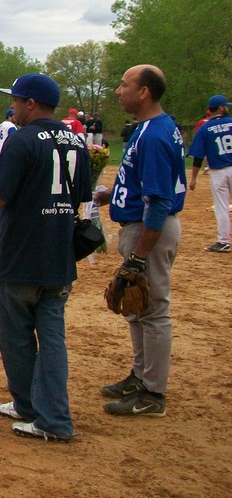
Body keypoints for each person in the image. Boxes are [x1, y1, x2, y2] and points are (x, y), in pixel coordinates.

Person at [0, 73, 90, 442]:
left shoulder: (22, 139)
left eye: (15, 100)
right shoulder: (77, 142)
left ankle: (33, 409)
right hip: (59, 257)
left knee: (16, 336)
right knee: (52, 338)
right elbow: (81, 198)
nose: (12, 106)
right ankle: (52, 416)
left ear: (31, 104)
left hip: (20, 256)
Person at [94, 64, 186, 418]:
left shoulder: (155, 135)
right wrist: (109, 195)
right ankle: (140, 376)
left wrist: (139, 255)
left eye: (124, 84)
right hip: (139, 225)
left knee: (153, 308)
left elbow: (159, 200)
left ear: (144, 91)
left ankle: (152, 393)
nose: (119, 91)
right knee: (136, 307)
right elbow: (140, 182)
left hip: (150, 230)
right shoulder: (150, 129)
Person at [188, 94, 232, 253]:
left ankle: (223, 241)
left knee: (221, 207)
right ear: (221, 108)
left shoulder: (205, 128)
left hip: (218, 172)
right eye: (225, 105)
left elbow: (198, 156)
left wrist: (193, 179)